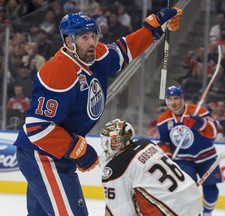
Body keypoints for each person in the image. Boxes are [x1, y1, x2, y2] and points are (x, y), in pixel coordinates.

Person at [13, 8, 183, 216]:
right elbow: (37, 128)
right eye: (84, 37)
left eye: (94, 35)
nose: (92, 42)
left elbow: (123, 50)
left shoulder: (96, 55)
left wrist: (152, 27)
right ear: (68, 41)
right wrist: (79, 150)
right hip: (42, 156)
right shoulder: (57, 72)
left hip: (56, 156)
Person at [99, 118, 202, 215]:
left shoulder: (116, 168)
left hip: (175, 209)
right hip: (192, 197)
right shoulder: (147, 144)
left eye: (112, 141)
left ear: (122, 141)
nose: (106, 145)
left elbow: (119, 211)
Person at [157, 85, 223, 216]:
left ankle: (207, 213)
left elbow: (214, 132)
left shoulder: (199, 111)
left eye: (176, 98)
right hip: (183, 160)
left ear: (182, 99)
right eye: (169, 99)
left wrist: (201, 124)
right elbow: (163, 142)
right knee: (186, 193)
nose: (173, 102)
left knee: (211, 189)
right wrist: (168, 155)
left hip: (207, 157)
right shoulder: (163, 120)